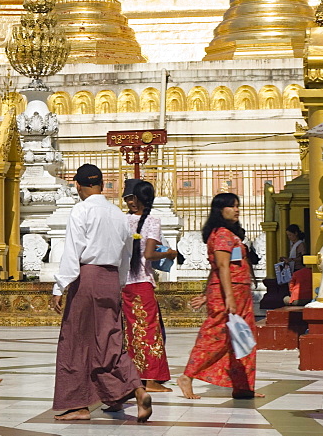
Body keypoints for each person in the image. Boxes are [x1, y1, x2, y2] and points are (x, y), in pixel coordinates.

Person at [51, 164, 152, 423]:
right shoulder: (119, 214)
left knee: (75, 341)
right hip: (110, 278)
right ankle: (135, 390)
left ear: (78, 185)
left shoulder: (81, 210)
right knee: (110, 340)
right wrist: (117, 284)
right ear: (102, 184)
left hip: (87, 278)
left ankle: (78, 404)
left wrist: (60, 286)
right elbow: (126, 254)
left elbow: (73, 251)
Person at [178, 192, 262, 400]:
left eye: (237, 206)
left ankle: (243, 385)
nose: (237, 210)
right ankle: (187, 376)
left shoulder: (229, 234)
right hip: (230, 291)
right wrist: (229, 297)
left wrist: (208, 294)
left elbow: (216, 270)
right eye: (232, 206)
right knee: (215, 337)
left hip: (238, 291)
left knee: (242, 338)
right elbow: (223, 266)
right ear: (220, 210)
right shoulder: (223, 234)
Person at [121, 179, 176, 392]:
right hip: (142, 283)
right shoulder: (152, 221)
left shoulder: (122, 221)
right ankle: (151, 379)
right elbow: (150, 255)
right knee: (151, 330)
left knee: (132, 332)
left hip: (125, 283)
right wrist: (170, 253)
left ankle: (134, 376)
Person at [281, 224, 312, 306]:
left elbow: (303, 257)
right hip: (293, 268)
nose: (289, 237)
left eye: (290, 235)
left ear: (296, 233)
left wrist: (290, 260)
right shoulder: (293, 245)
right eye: (288, 235)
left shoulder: (300, 244)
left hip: (298, 269)